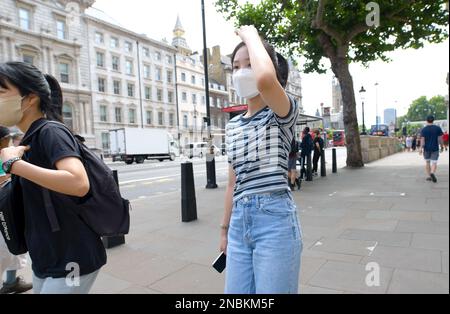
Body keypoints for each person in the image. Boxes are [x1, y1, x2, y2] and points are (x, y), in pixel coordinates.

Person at [0, 62, 106, 294]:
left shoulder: (51, 132)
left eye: (1, 92)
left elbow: (78, 183)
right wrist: (7, 168)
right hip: (45, 253)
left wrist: (13, 165)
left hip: (71, 254)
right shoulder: (28, 138)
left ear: (30, 99)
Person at [221, 25, 302, 294]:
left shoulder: (282, 112)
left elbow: (266, 81)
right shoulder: (232, 126)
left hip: (274, 220)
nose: (242, 71)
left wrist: (252, 35)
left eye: (249, 63)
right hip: (238, 224)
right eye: (235, 66)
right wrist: (224, 230)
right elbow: (233, 183)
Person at [0, 126, 33, 294]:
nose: (11, 141)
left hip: (8, 211)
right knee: (5, 251)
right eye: (8, 138)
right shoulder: (4, 158)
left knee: (14, 249)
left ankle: (11, 282)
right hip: (3, 212)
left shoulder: (6, 155)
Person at [420, 115, 444, 183]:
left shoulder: (424, 129)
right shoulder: (437, 128)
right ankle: (432, 172)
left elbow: (422, 140)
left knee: (427, 162)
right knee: (434, 162)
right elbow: (440, 139)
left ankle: (429, 176)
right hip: (435, 148)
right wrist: (442, 146)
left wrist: (420, 148)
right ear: (433, 120)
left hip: (426, 149)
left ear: (426, 120)